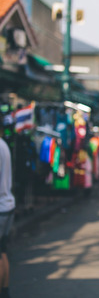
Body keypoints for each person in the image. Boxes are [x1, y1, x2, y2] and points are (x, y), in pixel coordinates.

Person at [0, 115, 14, 298]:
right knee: (3, 251)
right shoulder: (4, 145)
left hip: (1, 207)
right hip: (7, 204)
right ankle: (5, 291)